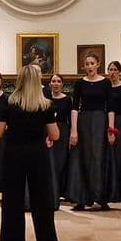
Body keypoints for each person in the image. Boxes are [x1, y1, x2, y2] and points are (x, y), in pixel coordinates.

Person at [0, 65, 61, 241]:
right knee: (42, 200)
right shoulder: (45, 104)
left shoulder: (9, 102)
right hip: (38, 156)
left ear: (20, 80)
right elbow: (55, 135)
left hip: (13, 155)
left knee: (12, 200)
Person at [66, 53, 115, 211]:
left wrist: (111, 129)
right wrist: (74, 130)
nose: (89, 66)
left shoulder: (106, 83)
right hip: (84, 122)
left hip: (101, 122)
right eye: (86, 64)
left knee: (99, 157)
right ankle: (82, 197)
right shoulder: (80, 83)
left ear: (98, 64)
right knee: (83, 157)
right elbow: (74, 108)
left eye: (92, 63)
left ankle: (101, 197)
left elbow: (111, 108)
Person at [106, 61, 121, 202]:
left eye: (115, 69)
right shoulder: (105, 86)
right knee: (108, 155)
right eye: (110, 69)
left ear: (120, 71)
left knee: (119, 155)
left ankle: (119, 190)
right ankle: (109, 189)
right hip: (107, 121)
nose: (112, 72)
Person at [47, 74, 72, 207]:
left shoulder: (67, 100)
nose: (56, 84)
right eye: (53, 81)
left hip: (63, 131)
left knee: (60, 162)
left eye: (58, 81)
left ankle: (60, 191)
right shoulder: (46, 99)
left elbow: (70, 119)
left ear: (62, 84)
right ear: (50, 84)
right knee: (50, 163)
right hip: (48, 132)